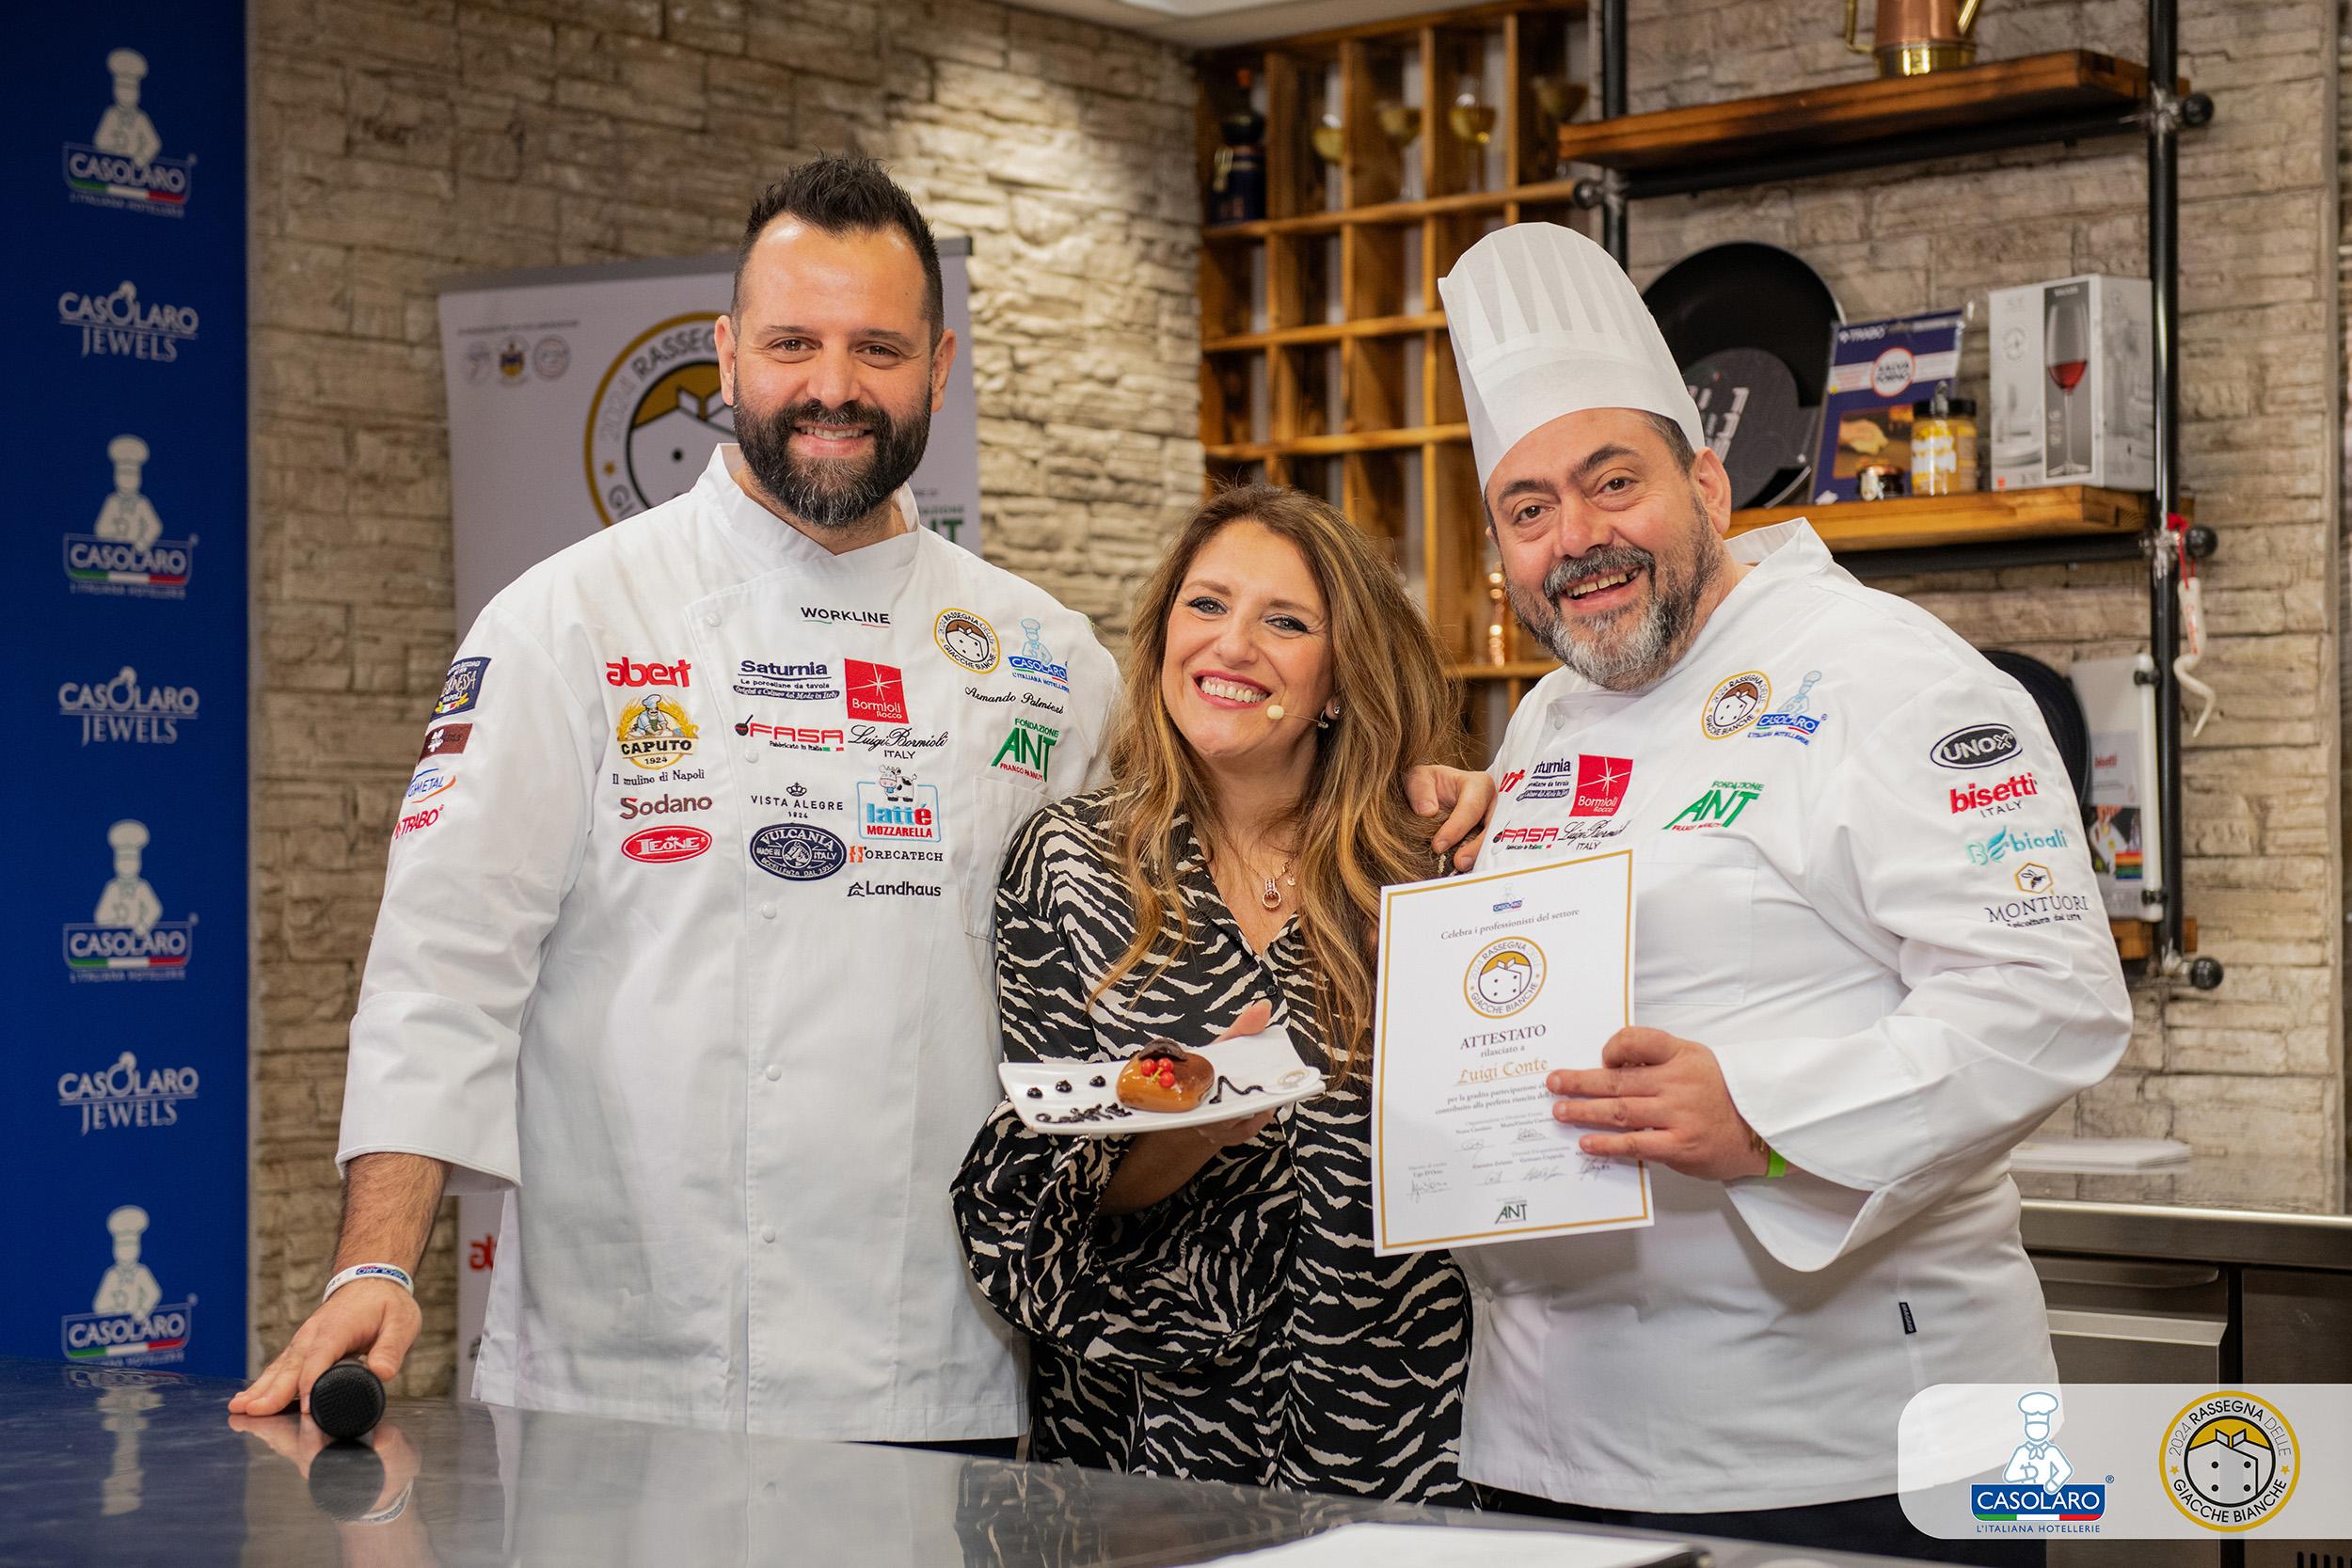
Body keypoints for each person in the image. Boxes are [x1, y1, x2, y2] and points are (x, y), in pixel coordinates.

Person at [230, 154, 1493, 1443]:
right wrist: (375, 1261)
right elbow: (443, 963)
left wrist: (1417, 795)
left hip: (936, 1365)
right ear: (726, 354)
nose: (833, 385)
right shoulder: (568, 620)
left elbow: (1205, 837)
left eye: (877, 348)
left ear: (939, 369)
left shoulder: (1043, 657)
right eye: (794, 342)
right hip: (627, 1366)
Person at [1438, 224, 2130, 1562]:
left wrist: (1761, 1115)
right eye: (1528, 509)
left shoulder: (1890, 672)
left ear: (1707, 480)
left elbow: (2054, 998)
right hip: (1549, 1440)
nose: (1576, 538)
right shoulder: (1542, 722)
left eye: (1612, 482)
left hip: (1854, 1445)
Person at [952, 485, 1474, 1504]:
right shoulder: (1071, 863)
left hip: (1396, 1422)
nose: (1231, 644)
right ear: (1162, 641)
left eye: (1286, 621)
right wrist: (1193, 1129)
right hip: (1151, 1442)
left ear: (1339, 680)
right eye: (1206, 604)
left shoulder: (1430, 863)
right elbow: (1054, 1195)